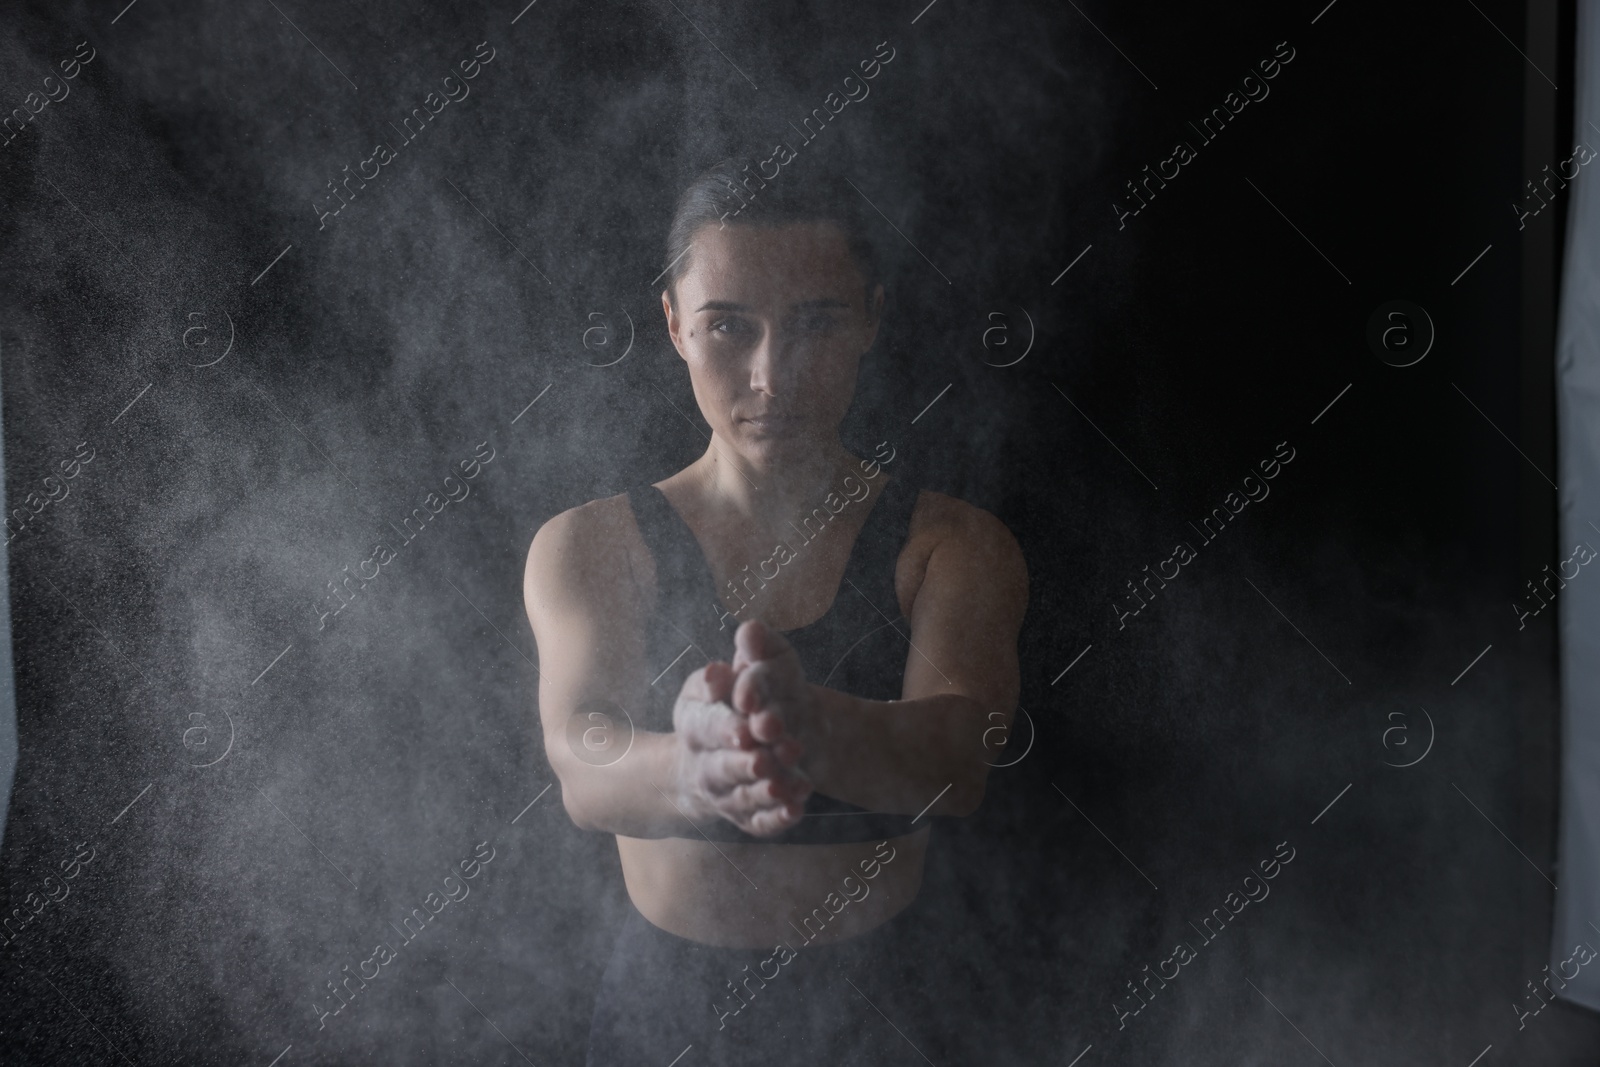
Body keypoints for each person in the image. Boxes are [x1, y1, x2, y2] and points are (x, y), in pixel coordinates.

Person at [522, 161, 1028, 1066]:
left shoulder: (951, 543)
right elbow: (580, 758)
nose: (772, 374)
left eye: (817, 322)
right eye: (729, 326)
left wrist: (810, 729)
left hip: (888, 1007)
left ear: (872, 316)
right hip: (664, 1013)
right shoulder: (590, 543)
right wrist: (697, 771)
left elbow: (960, 759)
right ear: (674, 323)